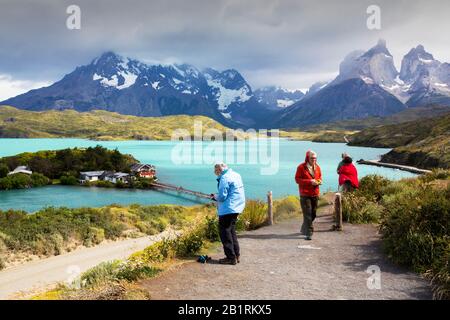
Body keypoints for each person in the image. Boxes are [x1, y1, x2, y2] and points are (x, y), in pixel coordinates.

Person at [210, 163, 245, 265]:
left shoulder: (224, 178)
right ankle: (236, 255)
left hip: (228, 208)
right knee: (231, 231)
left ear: (219, 170)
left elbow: (222, 197)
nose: (215, 174)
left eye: (216, 171)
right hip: (237, 206)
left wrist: (214, 197)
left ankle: (230, 257)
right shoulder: (236, 174)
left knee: (224, 232)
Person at [295, 150, 322, 240]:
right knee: (308, 214)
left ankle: (304, 228)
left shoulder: (317, 167)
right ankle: (309, 232)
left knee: (313, 214)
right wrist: (310, 182)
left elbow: (320, 177)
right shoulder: (301, 167)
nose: (314, 159)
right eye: (312, 158)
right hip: (305, 194)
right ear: (307, 158)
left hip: (315, 194)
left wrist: (319, 181)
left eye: (315, 158)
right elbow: (297, 180)